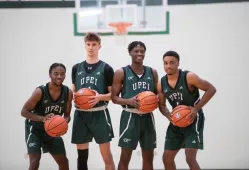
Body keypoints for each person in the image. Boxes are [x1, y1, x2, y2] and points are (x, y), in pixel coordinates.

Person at [157, 51, 217, 170]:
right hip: (176, 121)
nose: (168, 66)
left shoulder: (189, 77)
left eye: (172, 63)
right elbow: (162, 105)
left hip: (193, 119)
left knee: (190, 157)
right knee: (167, 158)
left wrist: (196, 108)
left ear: (178, 63)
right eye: (165, 63)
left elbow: (211, 89)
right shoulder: (161, 83)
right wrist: (169, 115)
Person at [111, 41, 159, 170]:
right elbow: (114, 98)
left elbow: (158, 94)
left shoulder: (152, 72)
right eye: (136, 51)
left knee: (149, 156)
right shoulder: (121, 72)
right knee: (125, 156)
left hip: (148, 117)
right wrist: (129, 101)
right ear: (130, 53)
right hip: (130, 117)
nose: (139, 54)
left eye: (142, 51)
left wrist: (155, 100)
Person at [71, 32, 115, 170]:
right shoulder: (76, 68)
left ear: (99, 46)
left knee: (106, 156)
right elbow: (73, 92)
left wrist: (99, 97)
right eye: (88, 44)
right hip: (81, 114)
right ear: (85, 46)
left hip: (99, 114)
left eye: (94, 44)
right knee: (82, 158)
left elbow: (113, 94)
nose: (91, 47)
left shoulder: (106, 68)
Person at [21, 63, 73, 170]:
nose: (59, 76)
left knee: (64, 163)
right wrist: (42, 119)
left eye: (62, 74)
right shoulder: (40, 92)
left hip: (52, 132)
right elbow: (24, 112)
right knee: (35, 161)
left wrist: (64, 122)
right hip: (35, 130)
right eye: (56, 74)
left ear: (65, 76)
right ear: (50, 75)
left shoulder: (68, 92)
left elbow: (67, 115)